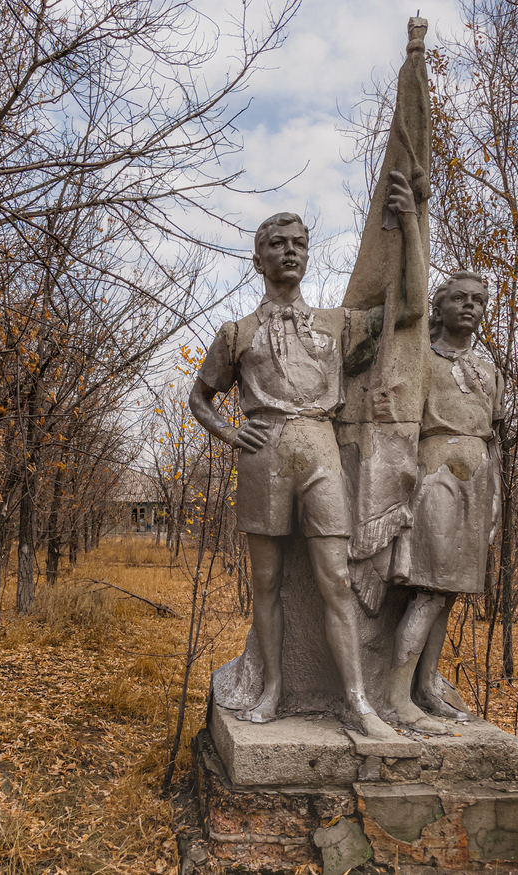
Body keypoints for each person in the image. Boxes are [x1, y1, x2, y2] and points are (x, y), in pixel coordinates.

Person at [189, 178, 421, 738]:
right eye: (277, 243)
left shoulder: (337, 324)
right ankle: (272, 688)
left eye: (298, 242)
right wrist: (226, 431)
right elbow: (199, 396)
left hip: (321, 450)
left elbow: (410, 307)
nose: (289, 250)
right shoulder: (236, 332)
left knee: (334, 581)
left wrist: (410, 223)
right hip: (263, 454)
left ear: (308, 253)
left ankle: (357, 700)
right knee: (266, 584)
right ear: (258, 257)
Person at [386, 271, 504, 734]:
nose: (470, 305)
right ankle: (396, 696)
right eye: (459, 298)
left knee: (450, 590)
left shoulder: (488, 368)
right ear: (439, 306)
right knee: (429, 588)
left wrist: (494, 498)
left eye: (478, 299)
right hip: (434, 476)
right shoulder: (421, 359)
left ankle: (426, 685)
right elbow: (398, 426)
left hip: (478, 481)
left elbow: (493, 439)